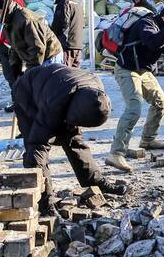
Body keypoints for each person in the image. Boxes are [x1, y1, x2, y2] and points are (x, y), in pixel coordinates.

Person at [12, 63, 126, 213]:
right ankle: (41, 196)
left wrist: (69, 127)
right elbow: (38, 145)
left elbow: (74, 131)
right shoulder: (54, 103)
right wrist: (47, 199)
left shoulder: (95, 90)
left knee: (74, 139)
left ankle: (94, 182)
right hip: (27, 92)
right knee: (35, 143)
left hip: (57, 86)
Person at [109, 5, 164, 170]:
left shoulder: (161, 28)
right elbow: (153, 43)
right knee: (134, 108)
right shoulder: (146, 24)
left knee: (161, 103)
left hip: (143, 71)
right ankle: (116, 154)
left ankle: (148, 139)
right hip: (127, 70)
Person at [5, 0, 64, 78]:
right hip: (37, 59)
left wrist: (31, 71)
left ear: (3, 8)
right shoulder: (8, 20)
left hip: (49, 56)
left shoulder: (26, 19)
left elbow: (37, 47)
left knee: (47, 87)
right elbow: (15, 45)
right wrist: (15, 66)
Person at [51, 0, 85, 68]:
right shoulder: (77, 3)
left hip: (66, 45)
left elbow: (61, 24)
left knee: (65, 73)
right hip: (78, 44)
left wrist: (52, 35)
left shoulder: (64, 3)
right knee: (75, 74)